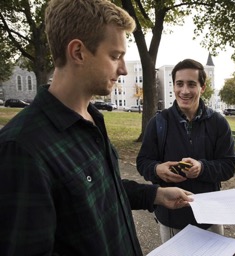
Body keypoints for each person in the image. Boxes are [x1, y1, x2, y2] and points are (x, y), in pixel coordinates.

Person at [0, 0, 193, 255]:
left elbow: (99, 191)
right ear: (78, 52)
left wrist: (155, 195)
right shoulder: (21, 148)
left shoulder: (93, 119)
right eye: (115, 56)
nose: (123, 69)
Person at [136, 59, 235, 242]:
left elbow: (229, 164)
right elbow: (143, 161)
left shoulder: (218, 123)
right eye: (179, 84)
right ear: (173, 85)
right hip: (171, 218)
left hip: (210, 217)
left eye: (192, 84)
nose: (184, 91)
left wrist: (202, 167)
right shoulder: (159, 123)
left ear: (202, 88)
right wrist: (157, 170)